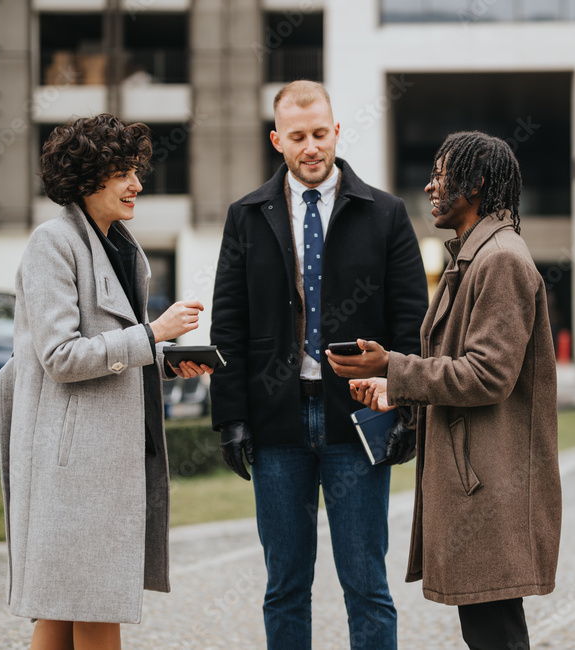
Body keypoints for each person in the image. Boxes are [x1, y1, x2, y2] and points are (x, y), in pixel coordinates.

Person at [209, 80, 428, 649]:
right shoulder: (246, 217)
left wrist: (406, 407)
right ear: (277, 139)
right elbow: (228, 324)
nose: (312, 148)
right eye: (299, 136)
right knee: (285, 586)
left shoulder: (386, 214)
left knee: (366, 584)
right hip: (276, 421)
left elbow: (411, 323)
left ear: (337, 132)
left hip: (358, 420)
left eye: (321, 134)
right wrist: (230, 417)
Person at [0, 113, 212, 650]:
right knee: (91, 608)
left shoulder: (119, 244)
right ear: (87, 176)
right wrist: (152, 334)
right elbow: (61, 356)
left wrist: (163, 359)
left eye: (136, 170)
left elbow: (111, 350)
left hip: (99, 460)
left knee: (63, 610)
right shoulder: (52, 243)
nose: (137, 184)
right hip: (72, 466)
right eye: (123, 172)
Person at [343, 131, 562, 650]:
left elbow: (488, 375)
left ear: (478, 182)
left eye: (441, 175)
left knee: (496, 633)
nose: (430, 186)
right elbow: (458, 367)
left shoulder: (500, 260)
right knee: (489, 631)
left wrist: (395, 367)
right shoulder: (474, 257)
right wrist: (394, 386)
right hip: (478, 479)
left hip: (491, 484)